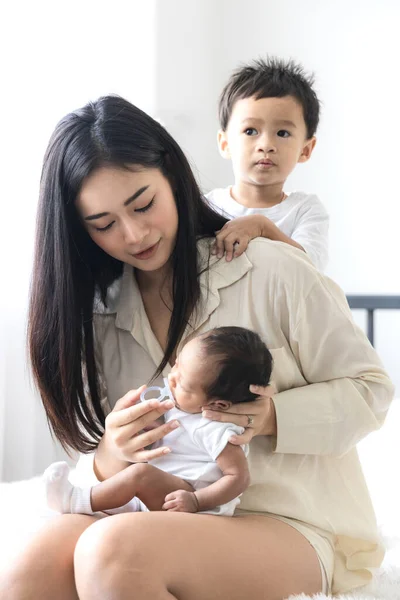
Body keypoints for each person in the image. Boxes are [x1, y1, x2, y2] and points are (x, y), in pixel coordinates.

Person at [0, 95, 393, 600]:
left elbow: (372, 390)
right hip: (163, 516)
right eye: (104, 225)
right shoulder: (102, 316)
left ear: (173, 176)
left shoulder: (273, 271)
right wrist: (110, 454)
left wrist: (270, 415)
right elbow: (108, 469)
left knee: (114, 553)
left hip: (289, 521)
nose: (134, 233)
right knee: (25, 571)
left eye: (143, 204)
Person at [43, 326, 273, 517]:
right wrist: (145, 434)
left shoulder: (217, 430)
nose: (171, 378)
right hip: (168, 492)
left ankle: (74, 501)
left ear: (218, 405)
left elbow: (239, 477)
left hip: (193, 503)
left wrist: (196, 500)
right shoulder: (184, 410)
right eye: (177, 367)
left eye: (182, 383)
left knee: (140, 475)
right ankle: (96, 505)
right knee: (131, 483)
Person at [206, 56, 329, 271]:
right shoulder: (205, 207)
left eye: (282, 133)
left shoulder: (305, 210)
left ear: (306, 149)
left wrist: (262, 227)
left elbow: (311, 272)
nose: (266, 145)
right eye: (250, 131)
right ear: (225, 143)